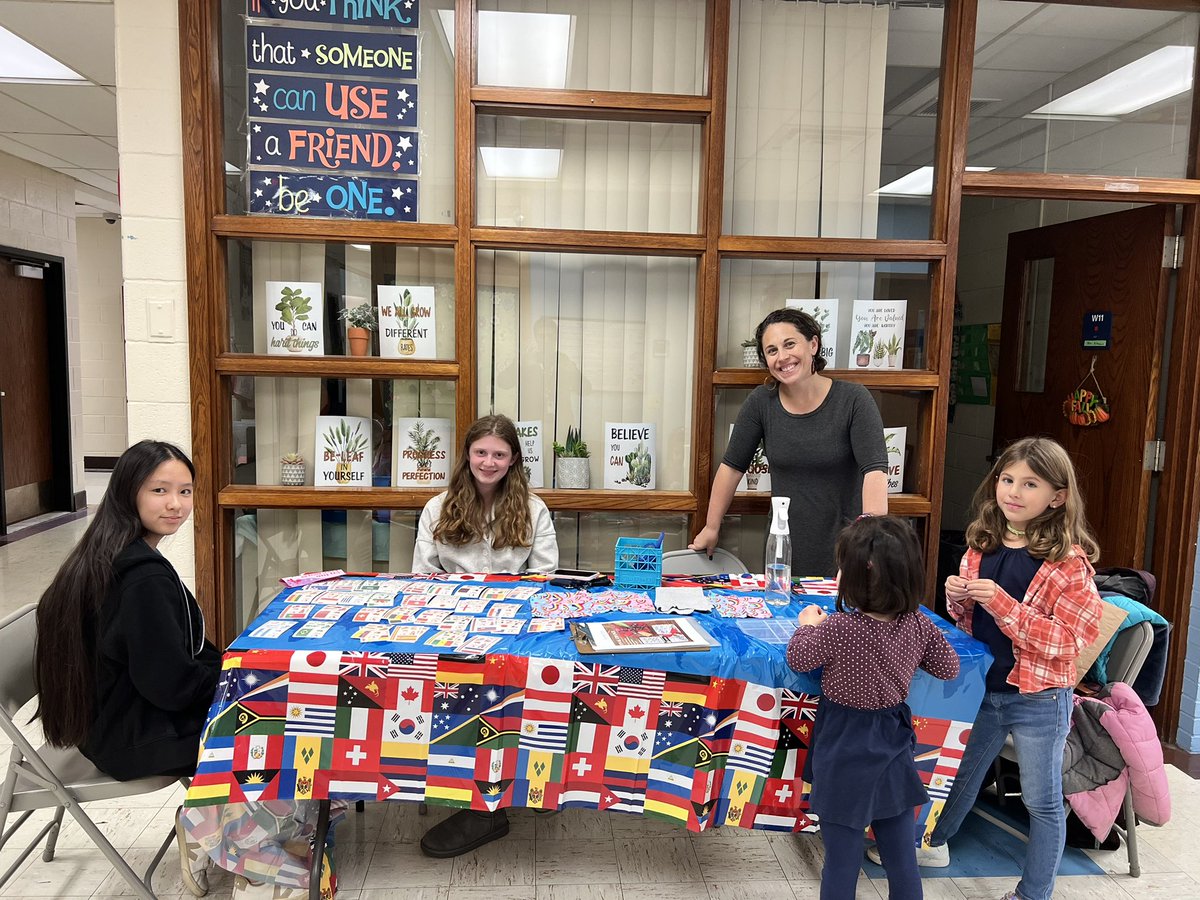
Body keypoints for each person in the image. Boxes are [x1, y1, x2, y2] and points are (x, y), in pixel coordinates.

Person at [876, 436, 1103, 900]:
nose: (1013, 492)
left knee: (1043, 802)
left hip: (1040, 699)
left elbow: (1070, 644)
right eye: (1007, 479)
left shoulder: (1069, 565)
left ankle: (1032, 893)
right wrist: (958, 600)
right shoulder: (980, 547)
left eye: (1030, 483)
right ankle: (933, 842)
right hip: (982, 690)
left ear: (1057, 497)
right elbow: (969, 626)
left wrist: (1004, 606)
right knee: (961, 774)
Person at [34, 440, 220, 897]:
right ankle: (216, 831)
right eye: (159, 490)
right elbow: (173, 687)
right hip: (128, 738)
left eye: (185, 491)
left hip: (102, 721)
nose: (175, 504)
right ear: (128, 493)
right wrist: (237, 681)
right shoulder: (142, 577)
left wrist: (229, 668)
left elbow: (177, 659)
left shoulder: (108, 552)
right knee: (269, 722)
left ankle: (224, 821)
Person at [786, 515, 960, 900]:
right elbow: (948, 668)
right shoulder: (917, 624)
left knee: (842, 863)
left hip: (843, 751)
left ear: (851, 579)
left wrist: (807, 624)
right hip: (892, 749)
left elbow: (798, 659)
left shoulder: (838, 628)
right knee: (901, 860)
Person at [411, 413, 560, 856]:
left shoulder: (533, 509)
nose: (489, 462)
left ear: (513, 458)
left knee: (524, 688)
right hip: (450, 629)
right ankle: (471, 792)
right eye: (481, 452)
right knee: (454, 690)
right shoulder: (437, 508)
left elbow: (545, 579)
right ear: (467, 455)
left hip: (516, 631)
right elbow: (422, 578)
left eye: (499, 453)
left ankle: (523, 781)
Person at [689, 307, 888, 576]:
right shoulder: (761, 402)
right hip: (783, 544)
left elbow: (874, 472)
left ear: (813, 344)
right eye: (771, 351)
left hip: (847, 546)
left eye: (790, 344)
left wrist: (866, 548)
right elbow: (731, 467)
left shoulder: (854, 400)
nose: (782, 357)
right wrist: (712, 527)